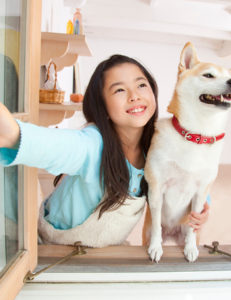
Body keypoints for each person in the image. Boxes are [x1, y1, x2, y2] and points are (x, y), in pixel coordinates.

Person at [0, 54, 209, 245]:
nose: (134, 96)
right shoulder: (92, 144)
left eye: (141, 85)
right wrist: (12, 134)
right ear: (103, 106)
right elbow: (50, 144)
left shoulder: (159, 145)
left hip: (103, 251)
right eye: (119, 89)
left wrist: (202, 206)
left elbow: (190, 171)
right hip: (52, 251)